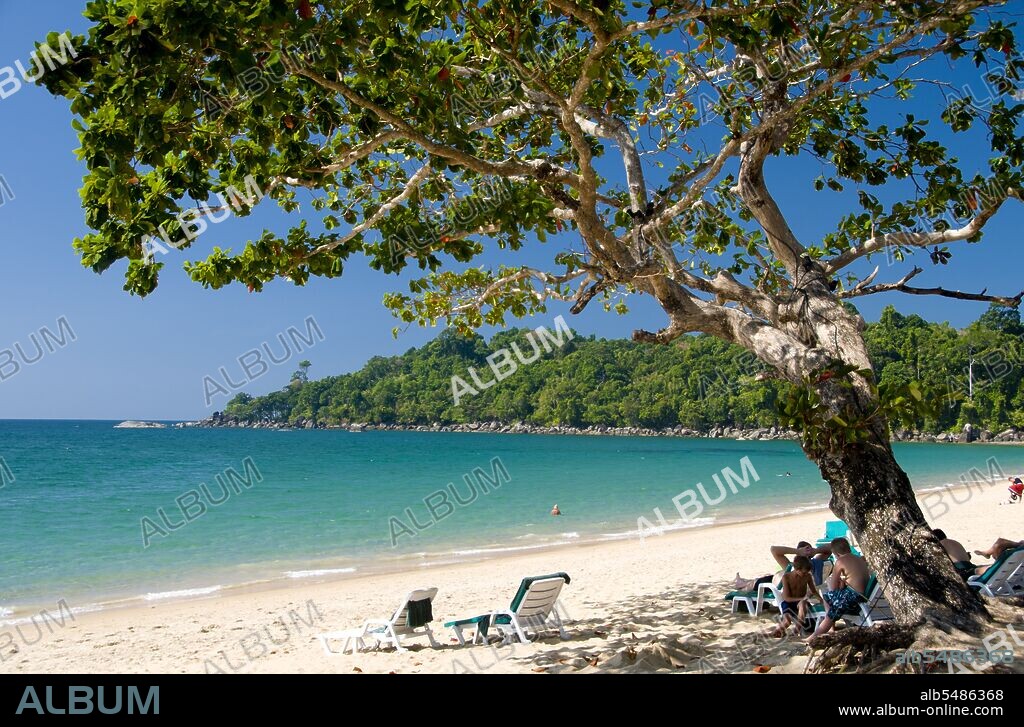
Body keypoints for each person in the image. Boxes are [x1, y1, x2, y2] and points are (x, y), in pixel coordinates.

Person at [810, 537, 869, 639]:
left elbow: (833, 588)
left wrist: (840, 584)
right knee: (830, 599)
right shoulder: (859, 559)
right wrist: (843, 584)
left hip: (853, 596)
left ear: (836, 554)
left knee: (826, 597)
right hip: (863, 596)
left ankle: (817, 633)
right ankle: (830, 623)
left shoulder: (840, 561)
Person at [733, 541, 832, 591]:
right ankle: (743, 581)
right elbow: (832, 547)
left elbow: (774, 549)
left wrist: (797, 551)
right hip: (807, 587)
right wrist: (815, 551)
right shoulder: (818, 563)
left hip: (780, 587)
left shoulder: (794, 568)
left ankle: (740, 584)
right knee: (770, 575)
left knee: (759, 581)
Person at [771, 555, 824, 637]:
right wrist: (803, 598)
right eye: (804, 572)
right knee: (787, 622)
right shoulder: (787, 577)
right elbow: (786, 598)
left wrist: (820, 599)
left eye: (807, 572)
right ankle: (775, 632)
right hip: (789, 602)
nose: (805, 574)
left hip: (801, 602)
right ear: (797, 570)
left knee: (803, 604)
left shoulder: (807, 576)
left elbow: (813, 591)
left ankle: (796, 630)